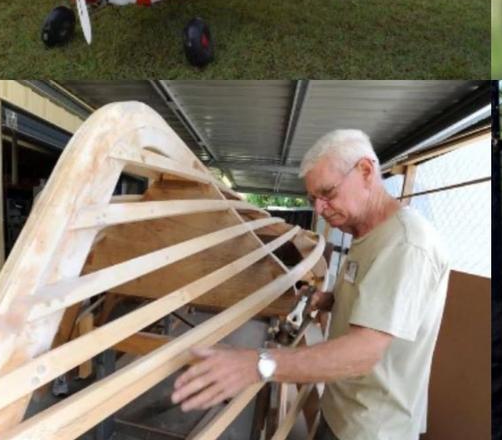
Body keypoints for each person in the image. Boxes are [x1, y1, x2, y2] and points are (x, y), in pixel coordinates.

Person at [171, 129, 450, 440]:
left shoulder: (405, 244)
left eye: (328, 193)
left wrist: (258, 364)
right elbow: (379, 304)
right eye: (313, 199)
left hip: (373, 428)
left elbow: (364, 352)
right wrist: (331, 299)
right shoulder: (367, 233)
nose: (318, 209)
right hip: (344, 408)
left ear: (366, 171)